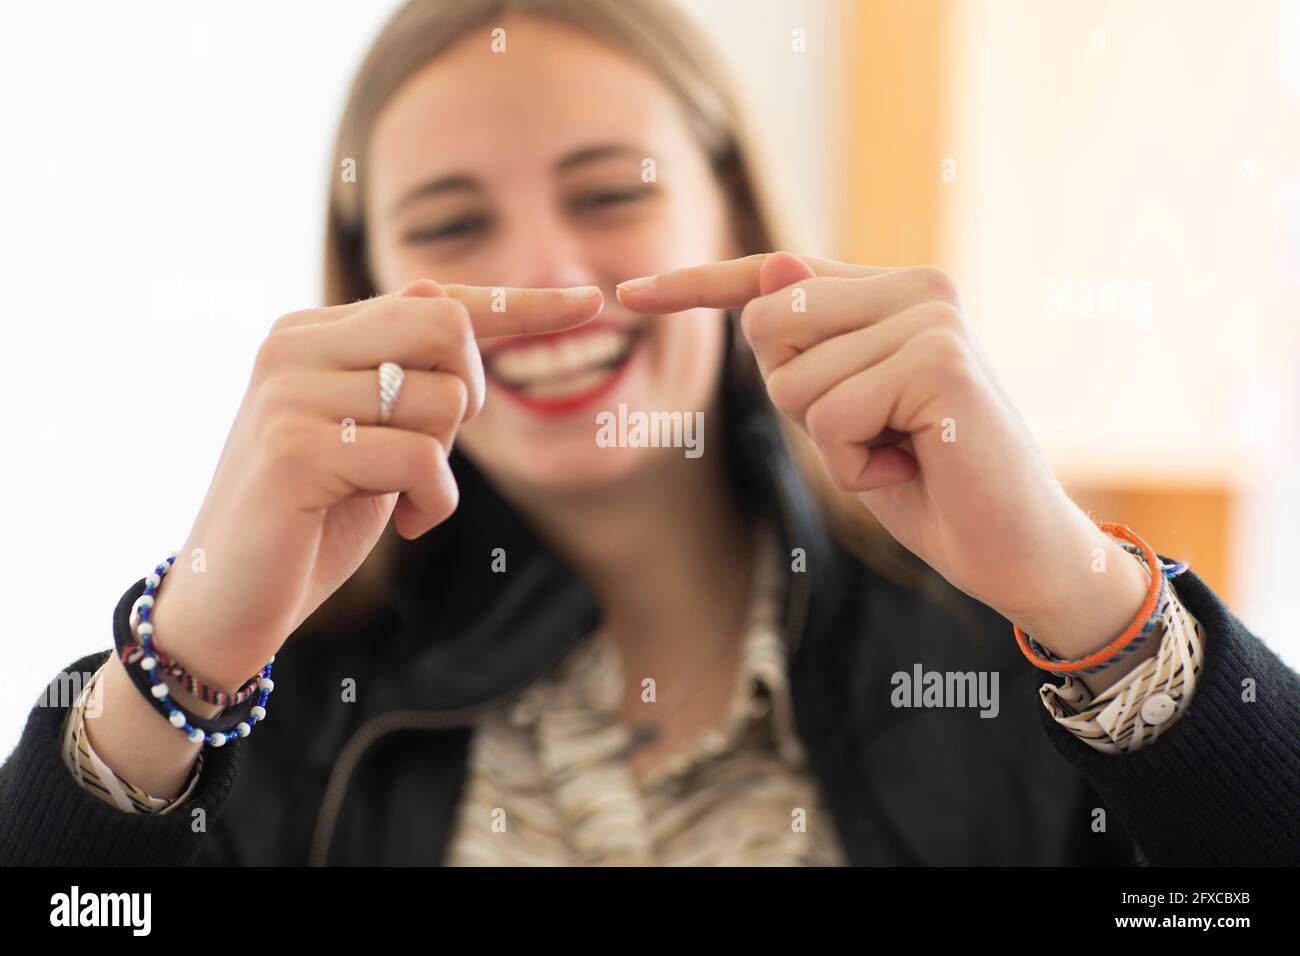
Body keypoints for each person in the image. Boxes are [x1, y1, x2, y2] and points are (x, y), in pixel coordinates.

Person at [2, 0, 1296, 867]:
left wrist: (1087, 595)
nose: (548, 278)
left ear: (730, 198)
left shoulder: (1009, 661)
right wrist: (184, 663)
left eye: (612, 191)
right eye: (454, 227)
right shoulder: (264, 708)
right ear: (370, 288)